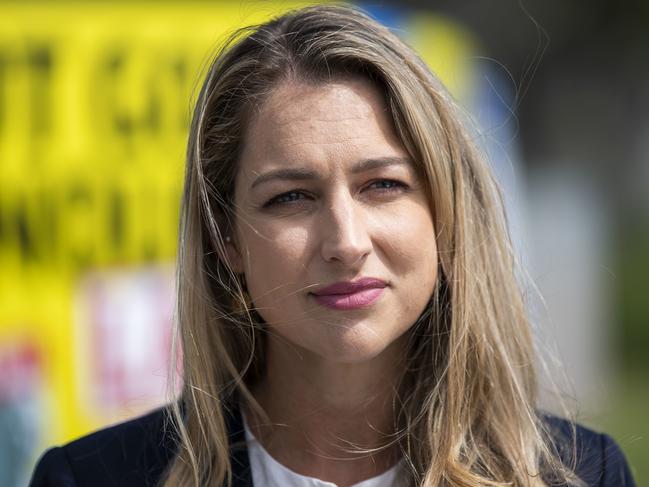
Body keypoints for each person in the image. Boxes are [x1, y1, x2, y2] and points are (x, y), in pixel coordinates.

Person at [29, 4, 635, 487]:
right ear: (226, 240)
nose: (346, 242)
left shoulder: (582, 474)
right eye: (291, 197)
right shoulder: (89, 477)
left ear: (446, 217)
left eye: (383, 185)